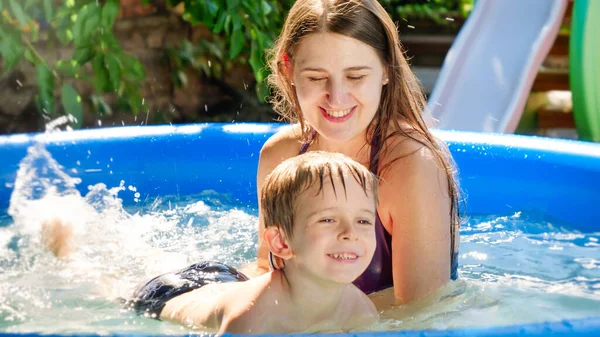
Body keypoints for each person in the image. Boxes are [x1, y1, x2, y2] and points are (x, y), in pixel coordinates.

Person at [251, 0, 461, 305]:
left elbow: (420, 313)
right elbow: (266, 270)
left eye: (356, 76)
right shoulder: (281, 155)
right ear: (289, 70)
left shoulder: (411, 166)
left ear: (387, 70)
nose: (336, 98)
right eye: (316, 77)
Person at [41, 151, 380, 335]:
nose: (350, 232)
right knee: (111, 290)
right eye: (328, 219)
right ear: (280, 242)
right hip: (166, 296)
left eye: (364, 220)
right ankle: (67, 253)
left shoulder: (360, 311)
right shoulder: (251, 322)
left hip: (229, 280)